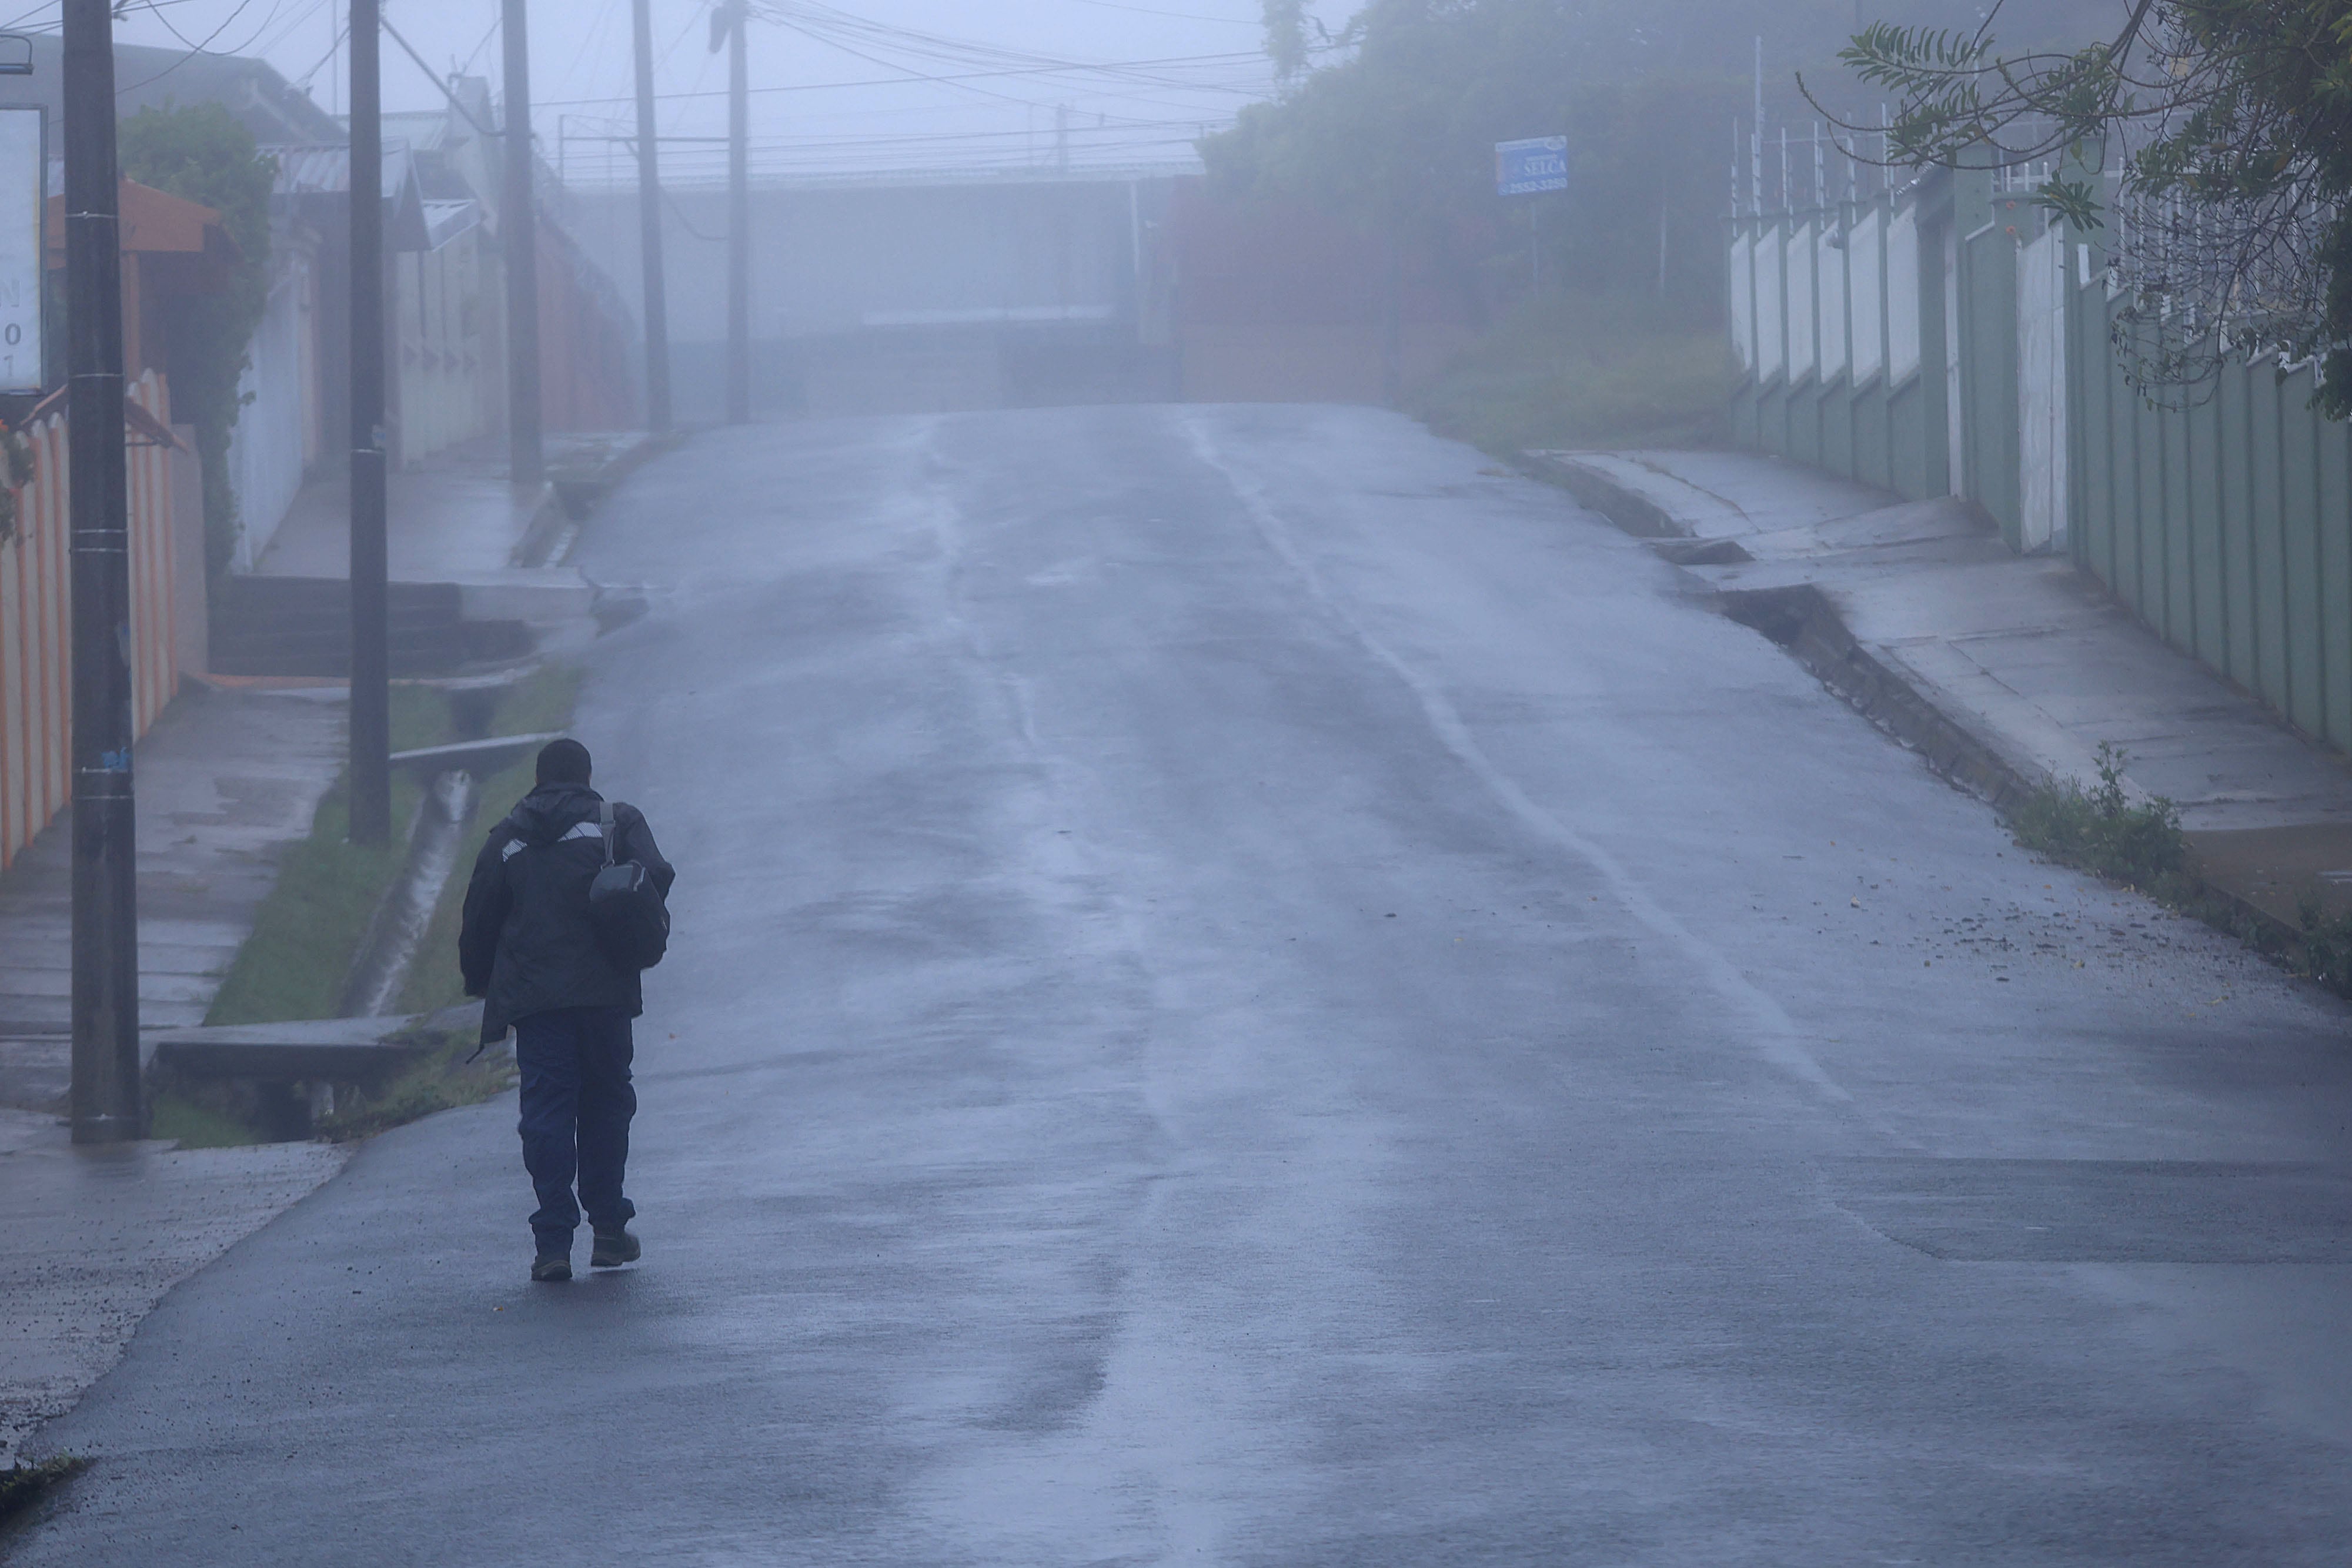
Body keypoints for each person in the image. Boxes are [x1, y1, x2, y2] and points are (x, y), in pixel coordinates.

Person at [460, 738, 676, 1282]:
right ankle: (607, 1230)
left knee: (547, 1112)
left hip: (538, 1004)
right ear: (585, 775)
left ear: (538, 780)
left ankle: (552, 1243)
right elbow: (658, 874)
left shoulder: (507, 837)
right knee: (606, 1103)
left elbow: (479, 917)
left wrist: (477, 980)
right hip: (605, 997)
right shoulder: (616, 822)